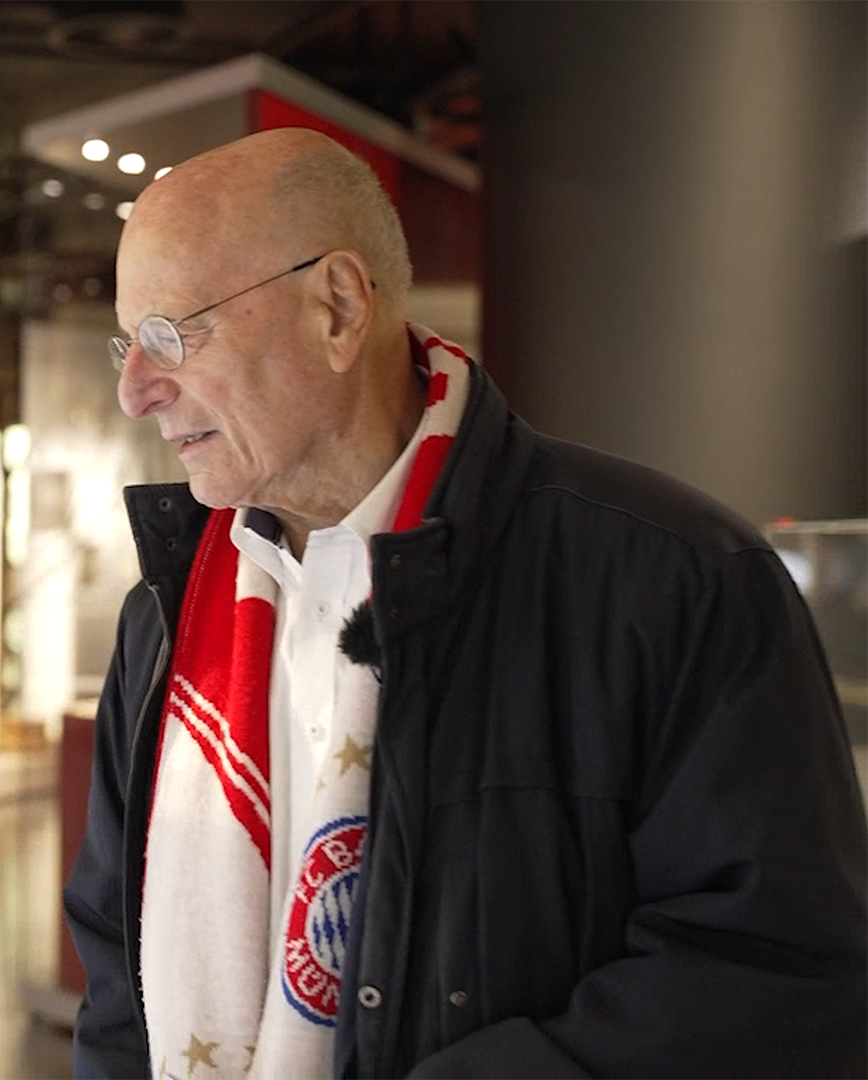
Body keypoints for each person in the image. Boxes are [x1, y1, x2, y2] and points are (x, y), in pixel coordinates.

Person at [63, 126, 868, 1078]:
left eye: (170, 333)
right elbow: (120, 983)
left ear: (337, 308)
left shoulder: (678, 583)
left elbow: (771, 974)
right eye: (127, 341)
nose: (134, 391)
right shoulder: (163, 618)